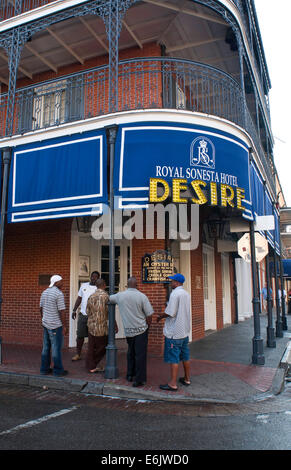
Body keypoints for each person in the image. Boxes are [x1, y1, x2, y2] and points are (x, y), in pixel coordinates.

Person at [109, 277, 154, 387]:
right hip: (141, 330)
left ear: (127, 285)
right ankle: (139, 379)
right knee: (140, 355)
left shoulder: (120, 295)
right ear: (137, 285)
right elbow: (149, 315)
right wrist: (148, 326)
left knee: (131, 353)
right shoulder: (142, 296)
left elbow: (108, 298)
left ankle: (130, 374)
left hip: (129, 331)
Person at [157, 273, 191, 392]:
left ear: (176, 282)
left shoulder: (175, 294)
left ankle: (172, 384)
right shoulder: (186, 294)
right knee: (185, 357)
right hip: (184, 332)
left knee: (174, 358)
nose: (171, 283)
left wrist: (160, 316)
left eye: (172, 281)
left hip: (174, 332)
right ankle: (187, 378)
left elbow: (170, 312)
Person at [40, 274, 68, 377]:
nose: (63, 283)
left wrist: (44, 319)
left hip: (46, 323)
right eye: (61, 281)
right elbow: (62, 311)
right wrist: (64, 326)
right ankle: (58, 371)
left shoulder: (44, 292)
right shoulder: (58, 293)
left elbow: (41, 308)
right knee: (56, 348)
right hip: (55, 325)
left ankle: (44, 369)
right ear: (56, 283)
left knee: (46, 347)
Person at [71, 271, 100, 361]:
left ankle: (92, 355)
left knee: (93, 337)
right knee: (80, 336)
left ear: (98, 278)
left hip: (94, 316)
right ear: (90, 277)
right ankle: (78, 354)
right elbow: (79, 298)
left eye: (96, 277)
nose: (93, 278)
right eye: (92, 276)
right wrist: (74, 310)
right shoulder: (84, 286)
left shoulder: (99, 288)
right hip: (83, 315)